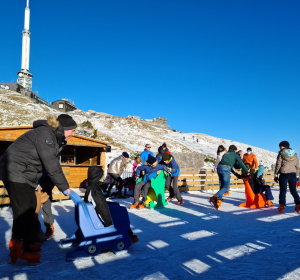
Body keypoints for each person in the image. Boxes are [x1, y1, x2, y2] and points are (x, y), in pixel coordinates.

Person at [0, 114, 76, 263]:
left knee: (31, 206)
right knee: (24, 208)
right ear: (64, 128)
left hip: (24, 174)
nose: (74, 134)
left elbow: (45, 163)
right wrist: (64, 187)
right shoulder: (45, 134)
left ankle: (26, 242)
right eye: (72, 130)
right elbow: (51, 163)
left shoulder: (54, 137)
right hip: (14, 171)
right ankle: (18, 246)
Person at [84, 166, 138, 243]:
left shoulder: (93, 187)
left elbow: (100, 204)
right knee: (122, 211)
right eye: (102, 177)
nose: (104, 178)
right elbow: (101, 207)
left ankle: (129, 233)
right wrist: (109, 223)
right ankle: (127, 234)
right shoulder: (95, 191)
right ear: (97, 177)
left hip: (94, 212)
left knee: (116, 205)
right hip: (96, 216)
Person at [209, 145, 249, 209]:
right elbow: (241, 164)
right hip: (226, 168)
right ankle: (214, 197)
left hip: (219, 168)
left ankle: (218, 201)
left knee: (222, 186)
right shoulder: (235, 154)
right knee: (226, 187)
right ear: (235, 150)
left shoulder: (226, 153)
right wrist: (247, 172)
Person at [274, 141, 300, 213]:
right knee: (294, 191)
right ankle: (298, 205)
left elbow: (278, 164)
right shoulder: (295, 154)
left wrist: (276, 174)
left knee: (283, 191)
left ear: (284, 146)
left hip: (284, 174)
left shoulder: (281, 154)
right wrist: (297, 175)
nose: (280, 147)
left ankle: (282, 206)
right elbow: (297, 166)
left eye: (281, 146)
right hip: (293, 174)